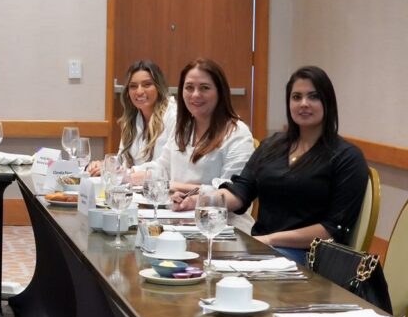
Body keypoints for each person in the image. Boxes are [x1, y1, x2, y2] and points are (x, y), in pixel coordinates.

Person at [217, 66, 368, 264]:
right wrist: (200, 200)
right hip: (263, 248)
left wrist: (269, 240)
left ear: (328, 102)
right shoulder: (271, 146)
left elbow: (332, 230)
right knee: (208, 258)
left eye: (313, 97)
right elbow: (241, 191)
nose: (304, 103)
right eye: (296, 97)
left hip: (309, 257)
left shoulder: (347, 157)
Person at [152, 58, 255, 229]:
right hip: (181, 222)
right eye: (189, 88)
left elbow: (233, 191)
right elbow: (161, 169)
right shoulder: (182, 129)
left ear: (220, 92)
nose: (195, 95)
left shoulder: (238, 133)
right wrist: (131, 175)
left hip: (225, 228)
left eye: (204, 88)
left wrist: (183, 191)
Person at [91, 60, 176, 176]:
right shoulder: (132, 119)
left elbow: (167, 166)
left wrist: (131, 172)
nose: (139, 91)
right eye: (133, 86)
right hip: (134, 185)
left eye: (147, 84)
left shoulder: (173, 116)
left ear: (159, 87)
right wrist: (105, 164)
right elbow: (122, 161)